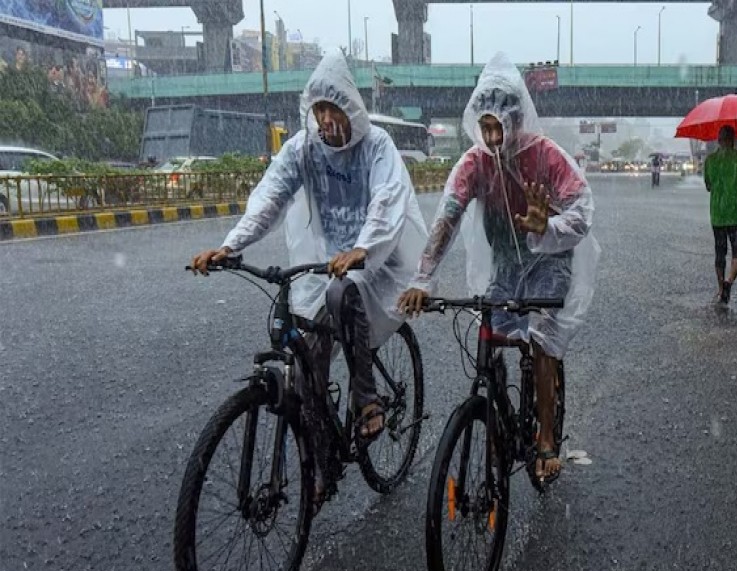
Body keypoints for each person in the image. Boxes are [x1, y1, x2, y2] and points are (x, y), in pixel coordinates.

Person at [191, 51, 428, 486]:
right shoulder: (303, 148)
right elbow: (270, 198)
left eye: (333, 109)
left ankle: (367, 400)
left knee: (344, 293)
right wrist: (230, 245)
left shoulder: (377, 147)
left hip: (379, 256)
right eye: (319, 109)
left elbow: (387, 202)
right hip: (330, 262)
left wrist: (363, 248)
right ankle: (323, 471)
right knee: (305, 371)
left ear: (350, 110)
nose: (326, 119)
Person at [397, 52, 599, 479]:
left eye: (497, 127)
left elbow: (581, 209)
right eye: (484, 127)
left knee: (542, 340)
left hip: (547, 263)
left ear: (514, 121)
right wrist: (422, 278)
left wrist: (549, 225)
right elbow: (447, 217)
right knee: (488, 335)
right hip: (507, 267)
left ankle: (546, 437)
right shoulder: (473, 163)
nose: (491, 137)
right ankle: (494, 423)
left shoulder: (545, 154)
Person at [703, 125, 737, 304]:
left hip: (717, 214)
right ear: (734, 140)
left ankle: (720, 288)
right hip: (735, 215)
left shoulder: (710, 160)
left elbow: (708, 186)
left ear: (718, 140)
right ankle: (729, 281)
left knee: (720, 253)